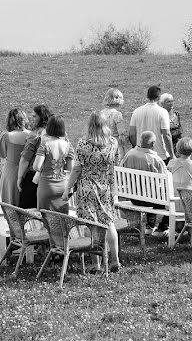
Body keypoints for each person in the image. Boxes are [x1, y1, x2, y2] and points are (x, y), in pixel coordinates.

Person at [62, 111, 121, 272]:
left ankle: (96, 263)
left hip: (87, 187)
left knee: (90, 224)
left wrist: (68, 188)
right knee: (108, 222)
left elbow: (77, 169)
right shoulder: (113, 142)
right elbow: (116, 163)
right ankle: (114, 260)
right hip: (106, 187)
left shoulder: (83, 144)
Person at [120, 130, 167, 234]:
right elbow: (164, 182)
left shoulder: (129, 154)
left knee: (151, 191)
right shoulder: (156, 160)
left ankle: (150, 225)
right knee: (158, 193)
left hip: (133, 197)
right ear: (153, 144)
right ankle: (162, 227)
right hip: (150, 199)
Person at [33, 115, 74, 212]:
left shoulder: (45, 145)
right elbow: (70, 168)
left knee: (46, 220)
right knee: (62, 220)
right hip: (62, 186)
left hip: (46, 186)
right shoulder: (68, 145)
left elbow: (36, 166)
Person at [166, 137, 192, 240]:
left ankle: (181, 227)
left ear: (177, 150)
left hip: (172, 203)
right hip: (187, 204)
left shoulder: (171, 163)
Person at [128, 85, 174, 166]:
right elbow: (166, 135)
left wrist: (137, 148)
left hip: (140, 155)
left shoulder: (136, 111)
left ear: (147, 96)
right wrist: (172, 155)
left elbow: (132, 134)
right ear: (159, 97)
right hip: (159, 155)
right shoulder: (162, 112)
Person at [17, 104, 52, 209]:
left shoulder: (35, 135)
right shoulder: (54, 133)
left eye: (34, 116)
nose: (31, 118)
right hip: (51, 177)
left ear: (41, 118)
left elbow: (25, 158)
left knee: (28, 212)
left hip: (34, 178)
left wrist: (19, 178)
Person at [0, 109, 31, 206]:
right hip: (27, 172)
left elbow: (2, 157)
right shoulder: (31, 136)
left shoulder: (6, 136)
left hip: (9, 173)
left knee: (9, 204)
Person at [100, 88, 129, 162]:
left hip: (102, 146)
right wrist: (128, 147)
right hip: (115, 147)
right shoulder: (117, 114)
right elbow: (122, 134)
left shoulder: (101, 113)